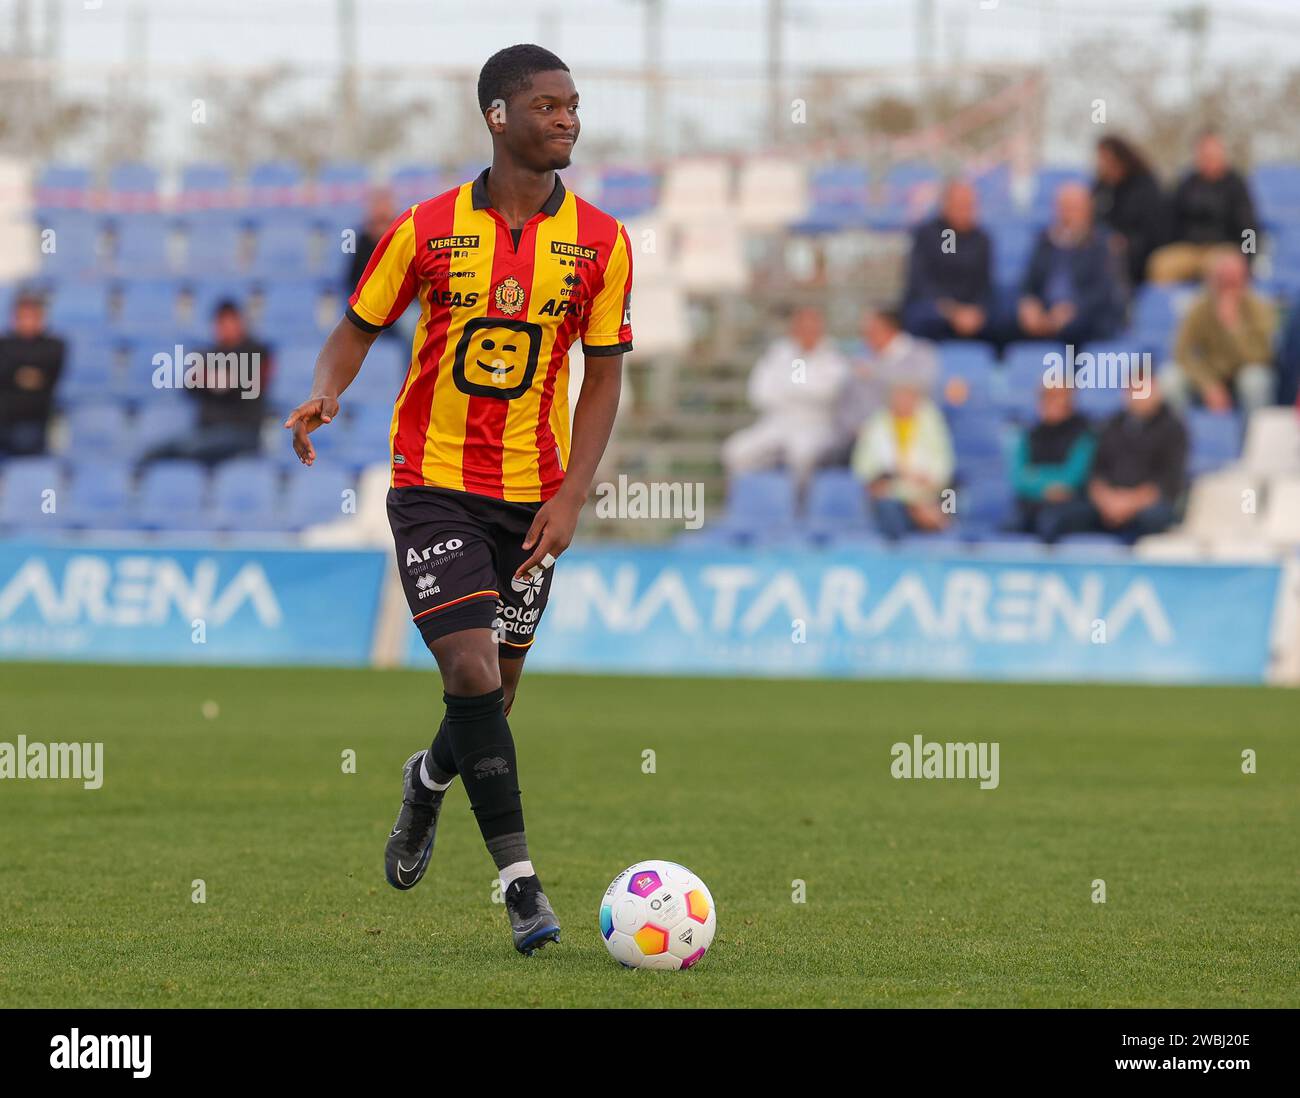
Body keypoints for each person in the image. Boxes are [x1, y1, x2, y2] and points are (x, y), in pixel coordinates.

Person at [285, 45, 634, 956]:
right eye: (551, 106)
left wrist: (571, 494)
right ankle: (522, 887)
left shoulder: (602, 241)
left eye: (574, 106)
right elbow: (357, 329)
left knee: (497, 693)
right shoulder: (426, 229)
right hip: (433, 484)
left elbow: (603, 380)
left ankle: (428, 782)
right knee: (470, 671)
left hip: (533, 499)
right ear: (497, 115)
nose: (569, 120)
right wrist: (328, 389)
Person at [1041, 377, 1186, 544]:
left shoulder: (1174, 429)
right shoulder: (1111, 425)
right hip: (1106, 506)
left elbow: (1169, 481)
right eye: (1134, 390)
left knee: (1154, 519)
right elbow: (1095, 473)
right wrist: (1107, 501)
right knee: (1056, 517)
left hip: (1145, 507)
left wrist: (1129, 504)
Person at [721, 305, 848, 490]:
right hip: (776, 421)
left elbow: (824, 393)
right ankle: (746, 504)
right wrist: (796, 391)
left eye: (812, 328)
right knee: (735, 451)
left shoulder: (833, 357)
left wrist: (791, 389)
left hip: (815, 426)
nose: (807, 333)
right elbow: (759, 392)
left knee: (801, 454)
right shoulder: (778, 352)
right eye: (802, 327)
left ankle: (797, 511)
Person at [143, 299, 273, 465]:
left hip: (243, 433)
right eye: (220, 323)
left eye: (230, 321)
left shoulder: (257, 352)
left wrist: (223, 381)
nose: (225, 328)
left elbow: (250, 384)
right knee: (155, 453)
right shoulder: (206, 354)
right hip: (206, 432)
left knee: (192, 450)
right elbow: (191, 386)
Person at [1161, 248, 1276, 415]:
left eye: (1235, 280)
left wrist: (1233, 327)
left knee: (1255, 380)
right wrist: (1208, 383)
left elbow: (1263, 356)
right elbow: (1182, 352)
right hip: (1209, 374)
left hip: (1244, 372)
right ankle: (1179, 437)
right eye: (1224, 280)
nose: (1229, 286)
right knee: (1170, 378)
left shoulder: (1259, 308)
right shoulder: (1200, 307)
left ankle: (1254, 438)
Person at [1018, 182, 1123, 345]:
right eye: (1063, 208)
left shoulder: (1101, 244)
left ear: (1088, 211)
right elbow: (1029, 282)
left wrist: (1073, 310)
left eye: (1073, 208)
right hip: (1047, 312)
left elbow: (1104, 292)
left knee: (1074, 327)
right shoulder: (1045, 241)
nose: (1067, 214)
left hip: (1085, 317)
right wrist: (1029, 304)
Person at [1147, 131, 1259, 284]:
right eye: (1204, 155)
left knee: (1220, 269)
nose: (1208, 160)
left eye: (1212, 155)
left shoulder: (1236, 185)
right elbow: (1168, 221)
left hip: (1223, 248)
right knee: (1160, 265)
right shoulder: (1186, 184)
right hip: (1190, 248)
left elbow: (1249, 227)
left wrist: (1248, 258)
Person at [851, 379, 954, 539]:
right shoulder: (876, 426)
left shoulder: (932, 425)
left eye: (908, 398)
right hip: (892, 500)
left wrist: (925, 493)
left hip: (928, 497)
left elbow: (943, 469)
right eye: (899, 398)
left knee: (950, 501)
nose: (903, 403)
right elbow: (864, 471)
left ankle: (934, 523)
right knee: (888, 509)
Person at [899, 180, 994, 342]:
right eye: (960, 206)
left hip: (969, 312)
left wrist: (974, 311)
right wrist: (952, 311)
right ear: (946, 205)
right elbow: (921, 282)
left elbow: (984, 284)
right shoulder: (931, 234)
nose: (966, 212)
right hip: (934, 309)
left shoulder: (981, 239)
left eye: (970, 206)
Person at [838, 307, 939, 446]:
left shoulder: (922, 353)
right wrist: (855, 429)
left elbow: (922, 388)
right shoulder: (860, 360)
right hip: (862, 440)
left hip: (910, 439)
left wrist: (876, 373)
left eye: (870, 330)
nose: (866, 336)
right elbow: (846, 406)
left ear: (889, 329)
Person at [1008, 384, 1096, 543]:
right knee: (1011, 524)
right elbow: (1020, 478)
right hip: (1033, 503)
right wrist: (1045, 488)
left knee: (1049, 521)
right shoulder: (1030, 435)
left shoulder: (1084, 434)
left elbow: (1072, 478)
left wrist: (1037, 476)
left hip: (1073, 505)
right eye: (1047, 397)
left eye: (1058, 397)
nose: (1052, 403)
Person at [1092, 135, 1166, 288]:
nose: (1101, 165)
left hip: (1138, 253)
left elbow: (1154, 231)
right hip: (1103, 246)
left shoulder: (1145, 186)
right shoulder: (1100, 188)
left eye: (1105, 159)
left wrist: (1126, 242)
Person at [0, 291, 66, 457]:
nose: (27, 322)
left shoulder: (54, 345)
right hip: (3, 417)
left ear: (41, 319)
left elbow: (47, 374)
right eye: (23, 317)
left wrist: (12, 373)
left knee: (25, 445)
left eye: (32, 317)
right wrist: (19, 374)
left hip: (32, 421)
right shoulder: (4, 344)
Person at [346, 187, 396, 293]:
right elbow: (352, 281)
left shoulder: (404, 238)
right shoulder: (360, 241)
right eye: (377, 204)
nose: (381, 210)